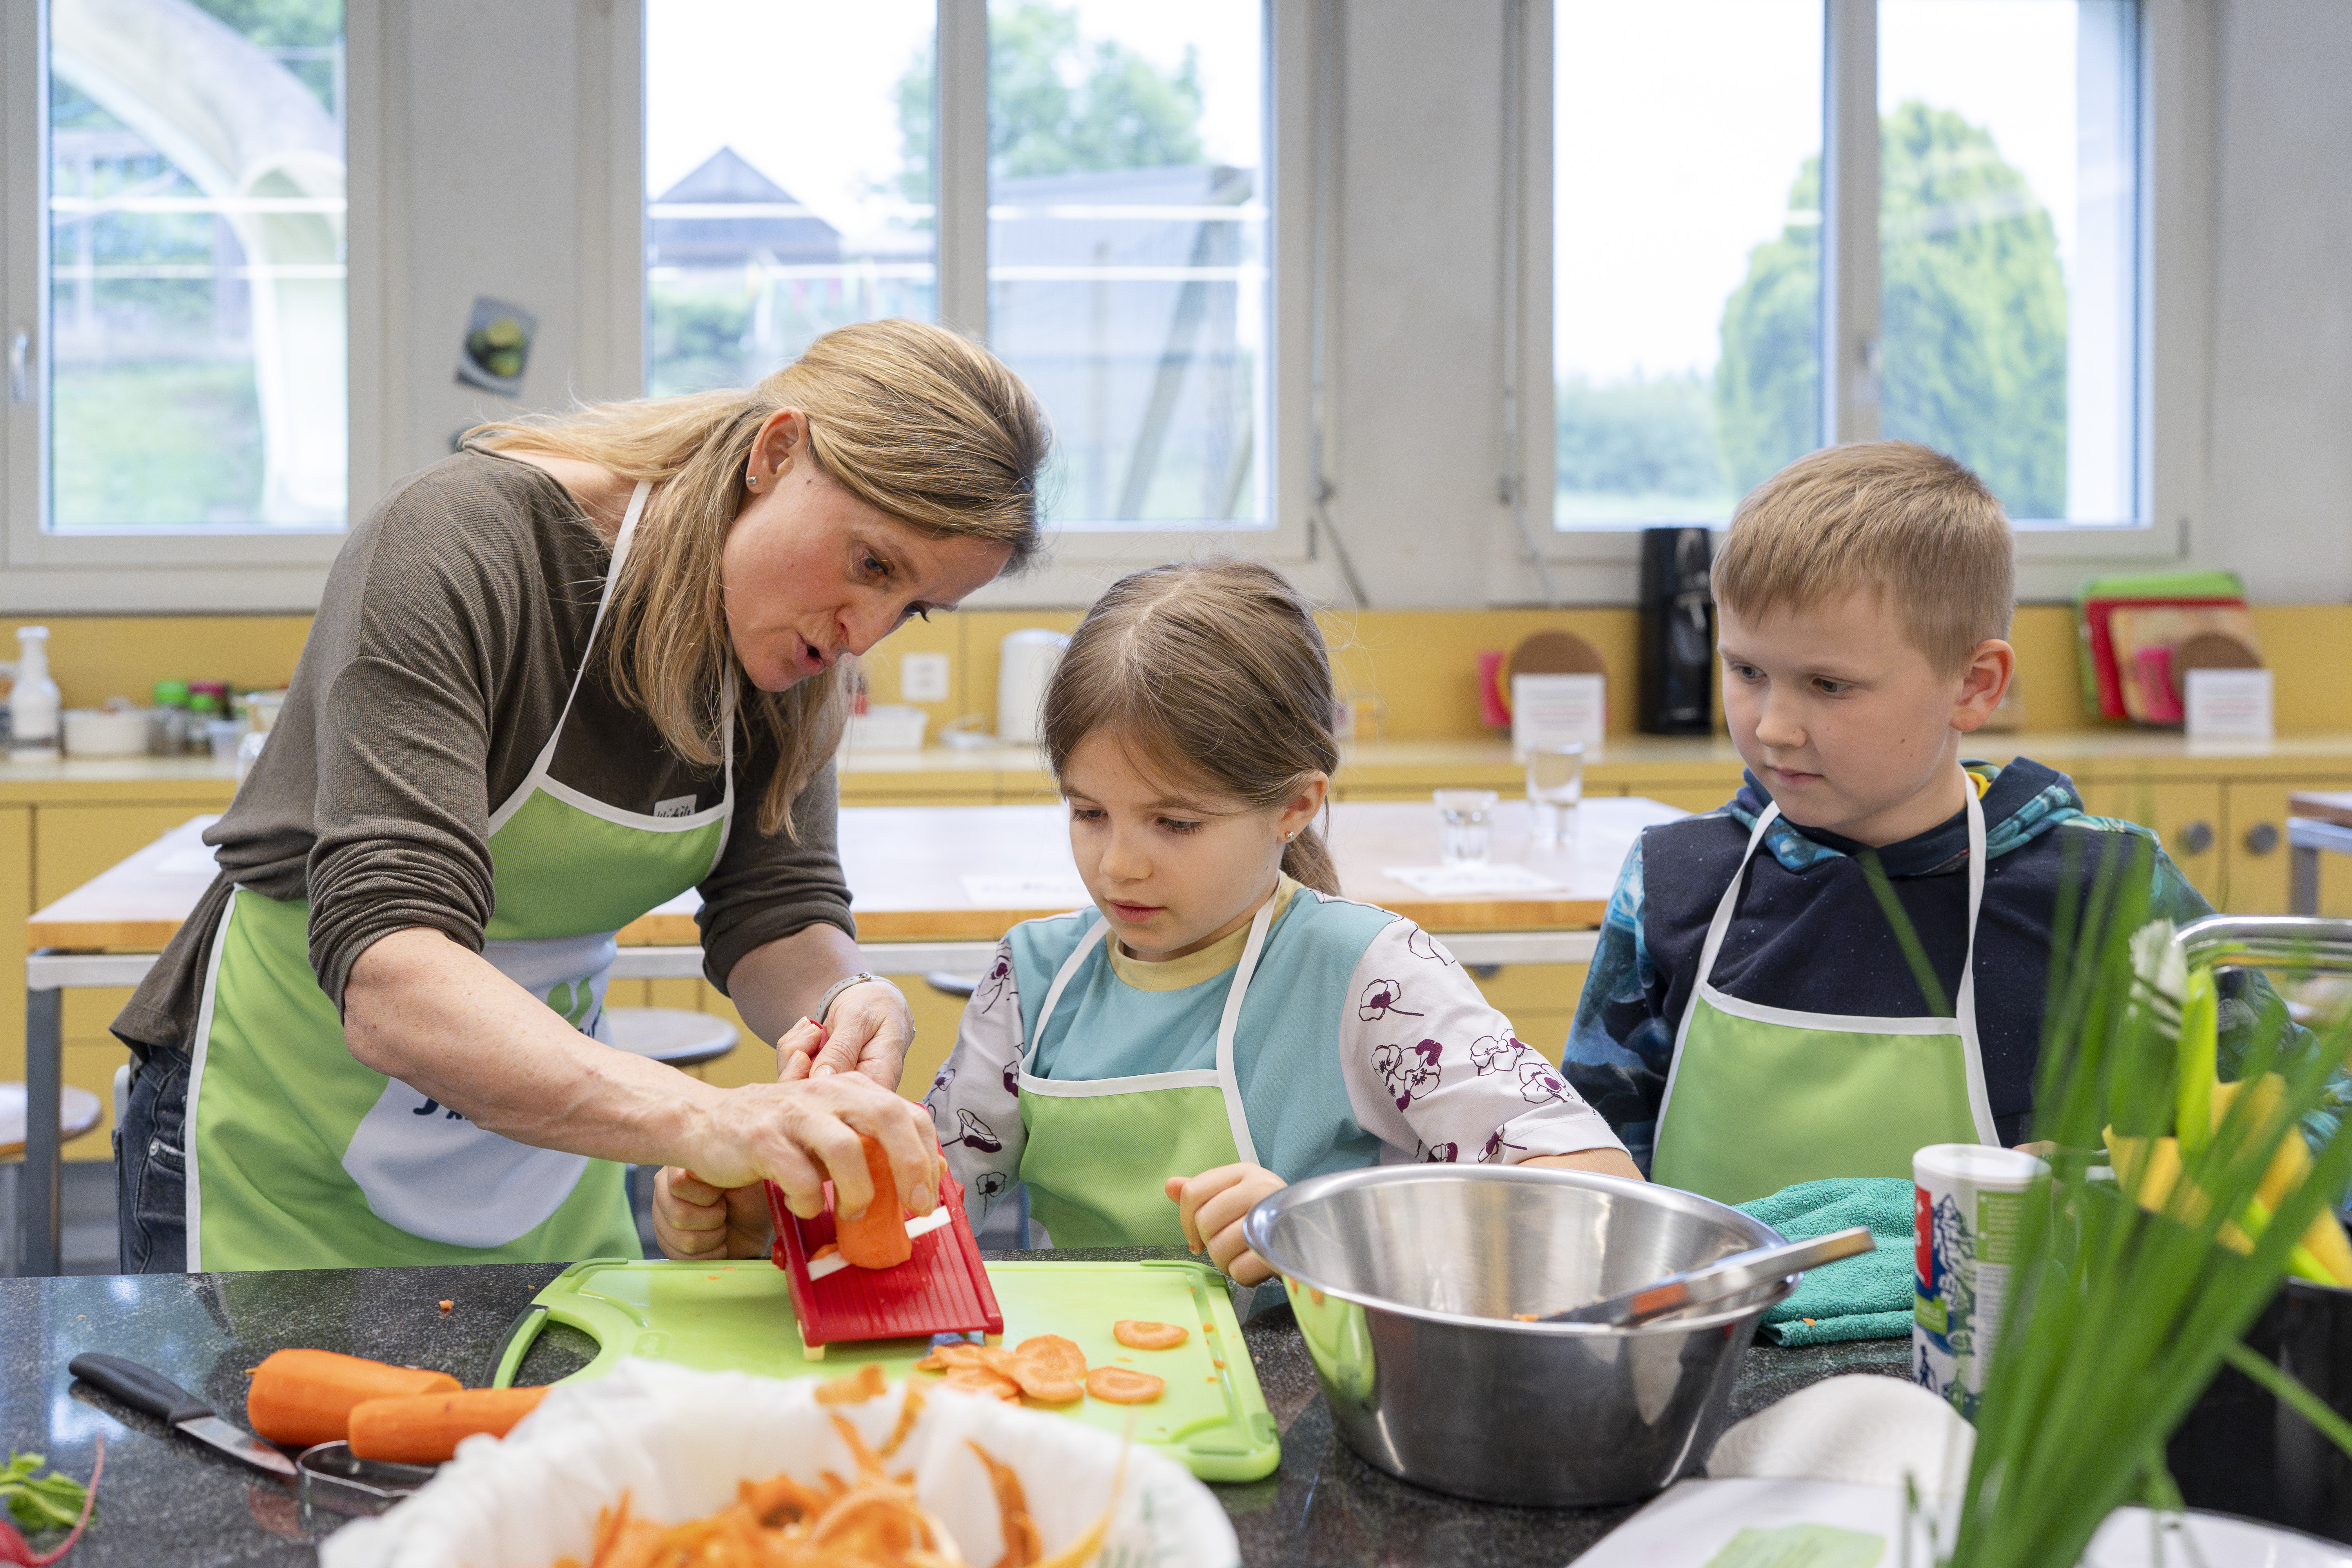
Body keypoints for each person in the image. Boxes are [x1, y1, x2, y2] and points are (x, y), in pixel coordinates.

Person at [109, 319, 1048, 1272]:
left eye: (912, 607)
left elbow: (776, 907)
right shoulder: (461, 543)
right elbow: (391, 975)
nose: (866, 632)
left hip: (548, 1150)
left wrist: (844, 996)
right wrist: (710, 1117)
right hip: (286, 1146)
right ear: (775, 454)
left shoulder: (789, 642)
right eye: (873, 564)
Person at [917, 560, 1639, 1285]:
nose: (1118, 866)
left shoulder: (1373, 978)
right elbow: (929, 1208)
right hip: (1081, 1355)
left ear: (1294, 806)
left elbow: (1603, 1202)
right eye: (1088, 813)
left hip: (1306, 1356)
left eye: (1176, 823)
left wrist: (1329, 1232)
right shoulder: (1034, 979)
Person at [1560, 441, 2230, 1204]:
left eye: (1829, 684)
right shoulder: (1670, 881)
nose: (1773, 727)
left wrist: (2103, 1178)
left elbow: (2298, 1132)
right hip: (1719, 1291)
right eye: (1747, 670)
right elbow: (1588, 1167)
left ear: (1973, 685)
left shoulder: (2108, 890)